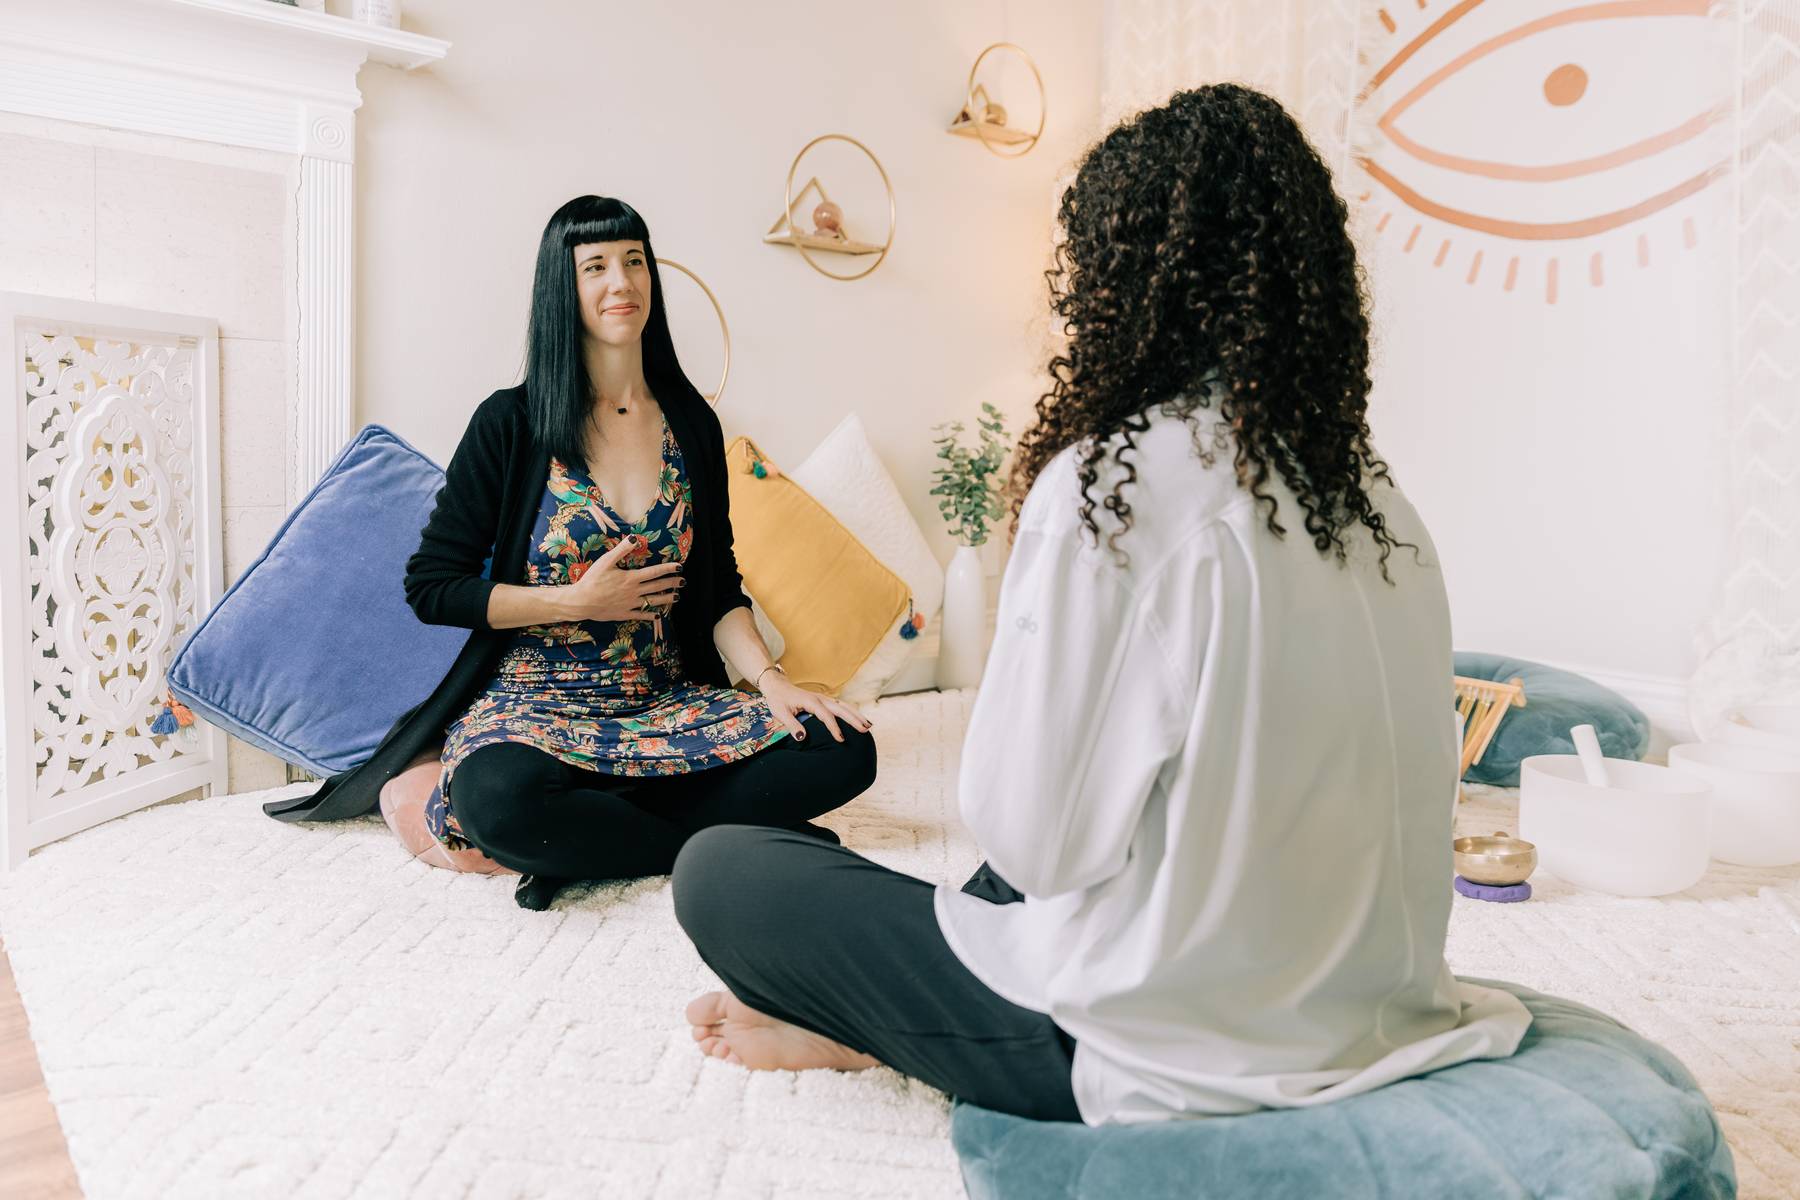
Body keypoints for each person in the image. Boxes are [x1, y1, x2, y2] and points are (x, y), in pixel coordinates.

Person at [670, 85, 1531, 1124]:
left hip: (1167, 1049)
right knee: (1023, 852)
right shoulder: (1380, 502)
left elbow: (1042, 847)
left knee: (726, 869)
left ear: (1127, 286)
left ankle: (875, 1029)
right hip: (1381, 1008)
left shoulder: (1111, 486)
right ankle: (870, 1022)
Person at [266, 195, 875, 911]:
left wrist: (773, 683)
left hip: (661, 704)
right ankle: (703, 829)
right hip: (534, 710)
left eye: (634, 261)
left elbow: (718, 589)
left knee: (845, 748)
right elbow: (434, 586)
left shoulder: (693, 424)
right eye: (596, 266)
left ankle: (592, 841)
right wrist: (573, 603)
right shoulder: (509, 423)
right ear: (564, 287)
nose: (622, 282)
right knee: (502, 804)